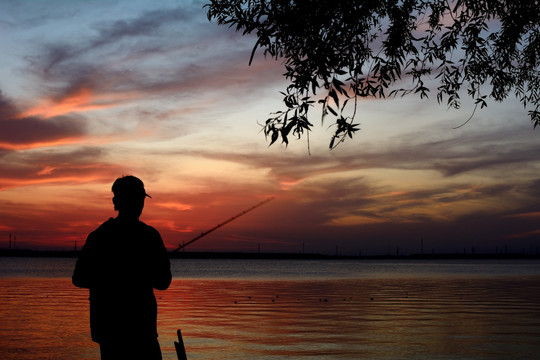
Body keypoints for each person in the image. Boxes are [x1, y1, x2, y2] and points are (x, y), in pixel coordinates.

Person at [73, 175, 172, 360]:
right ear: (117, 201)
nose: (140, 204)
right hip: (133, 331)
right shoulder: (149, 236)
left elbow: (79, 278)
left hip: (116, 331)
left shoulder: (99, 235)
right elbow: (164, 281)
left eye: (141, 199)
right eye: (137, 199)